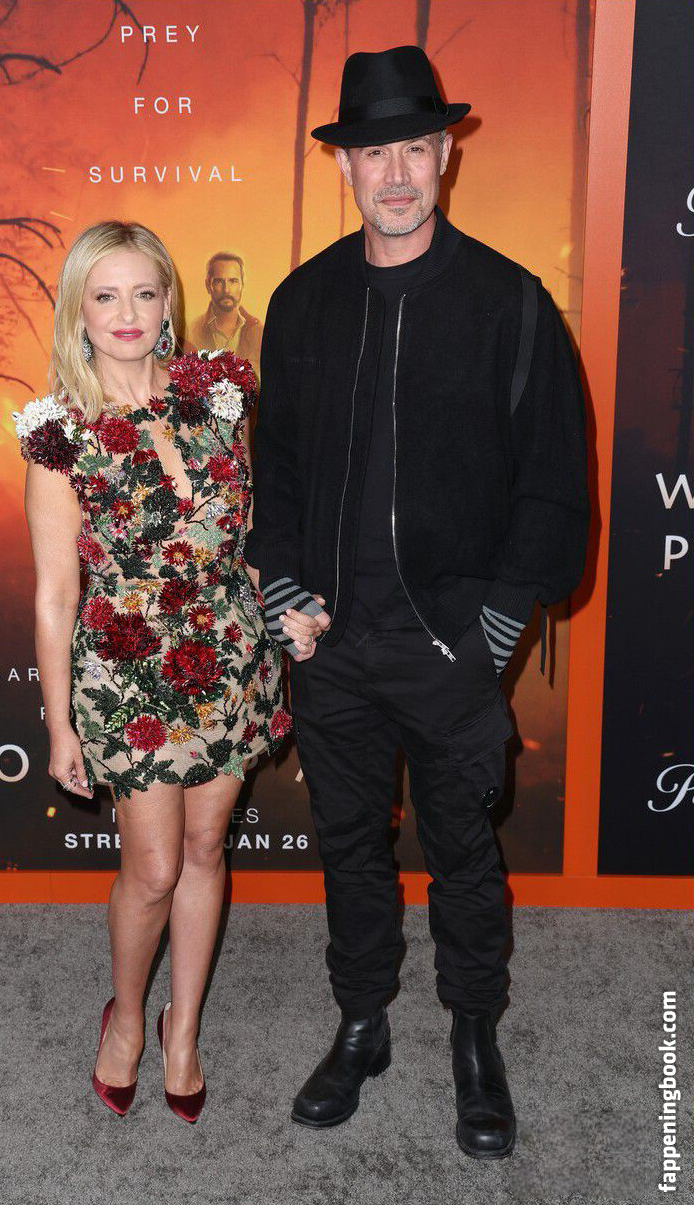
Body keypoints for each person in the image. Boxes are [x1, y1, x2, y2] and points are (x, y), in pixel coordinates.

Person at [245, 46, 589, 1156]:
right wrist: (284, 587)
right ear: (344, 165)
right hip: (331, 645)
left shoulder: (509, 302)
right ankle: (362, 1023)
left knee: (463, 856)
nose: (392, 173)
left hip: (449, 648)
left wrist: (495, 623)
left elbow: (553, 479)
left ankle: (474, 1037)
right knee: (348, 846)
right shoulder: (302, 303)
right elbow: (275, 471)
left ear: (444, 154)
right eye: (371, 153)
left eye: (412, 148)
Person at [13, 220, 290, 1121]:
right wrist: (60, 723)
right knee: (156, 867)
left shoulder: (218, 396)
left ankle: (183, 1028)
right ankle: (127, 1017)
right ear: (79, 311)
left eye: (143, 291)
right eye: (105, 295)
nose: (126, 312)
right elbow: (56, 593)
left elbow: (249, 536)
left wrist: (285, 612)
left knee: (207, 848)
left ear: (169, 301)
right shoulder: (60, 433)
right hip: (128, 675)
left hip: (229, 657)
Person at [187, 252, 263, 380]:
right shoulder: (192, 331)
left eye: (233, 281)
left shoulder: (258, 332)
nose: (226, 290)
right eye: (219, 281)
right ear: (208, 285)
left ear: (242, 285)